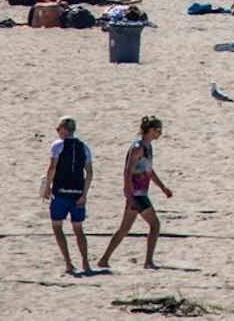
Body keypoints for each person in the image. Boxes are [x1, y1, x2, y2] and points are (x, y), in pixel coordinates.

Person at [96, 116, 171, 271]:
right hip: (136, 193)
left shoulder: (148, 146)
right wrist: (128, 193)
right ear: (150, 130)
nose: (160, 134)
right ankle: (148, 261)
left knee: (124, 229)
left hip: (141, 192)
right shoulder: (138, 147)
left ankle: (104, 260)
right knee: (155, 225)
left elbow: (148, 170)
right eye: (158, 130)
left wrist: (162, 187)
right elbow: (128, 171)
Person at [42, 117, 93, 276]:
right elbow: (89, 173)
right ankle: (85, 263)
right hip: (77, 192)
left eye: (58, 129)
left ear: (64, 129)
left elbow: (52, 168)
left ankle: (68, 264)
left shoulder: (58, 145)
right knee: (78, 229)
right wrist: (84, 194)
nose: (57, 132)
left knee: (57, 227)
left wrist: (47, 187)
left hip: (61, 192)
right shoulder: (84, 147)